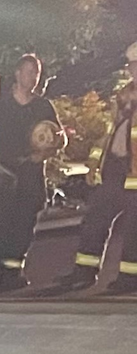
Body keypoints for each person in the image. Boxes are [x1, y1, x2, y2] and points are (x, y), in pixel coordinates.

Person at [46, 47, 137, 295]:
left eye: (135, 64)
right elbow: (109, 133)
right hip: (116, 168)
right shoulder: (124, 96)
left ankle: (130, 278)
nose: (131, 69)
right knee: (96, 218)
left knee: (134, 227)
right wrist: (95, 162)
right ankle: (84, 271)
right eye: (130, 65)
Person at [0, 54, 63, 291]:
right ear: (18, 73)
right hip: (3, 176)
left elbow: (59, 139)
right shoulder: (0, 105)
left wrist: (45, 153)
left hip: (31, 176)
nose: (34, 78)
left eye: (37, 74)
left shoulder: (43, 106)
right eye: (30, 72)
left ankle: (12, 272)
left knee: (23, 227)